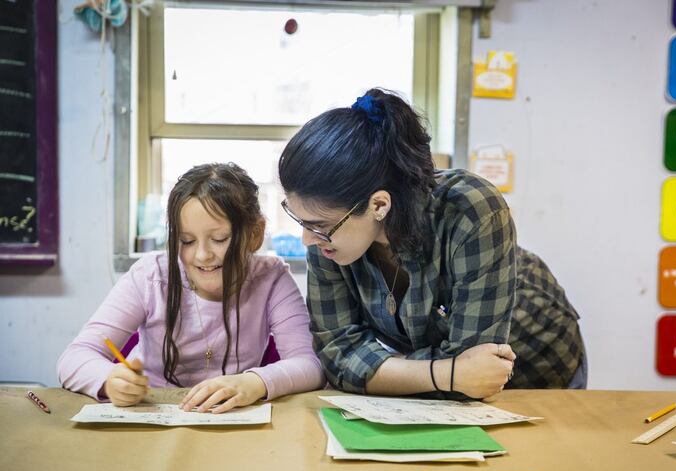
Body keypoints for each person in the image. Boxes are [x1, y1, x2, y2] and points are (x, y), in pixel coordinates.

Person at [278, 89, 587, 401]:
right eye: (301, 222)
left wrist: (380, 368)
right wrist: (449, 374)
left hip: (539, 363)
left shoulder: (470, 209)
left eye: (318, 227)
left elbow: (475, 375)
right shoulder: (327, 232)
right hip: (442, 385)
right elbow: (337, 355)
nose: (307, 239)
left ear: (379, 205)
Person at [58, 163, 324, 412]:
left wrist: (253, 383)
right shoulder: (151, 277)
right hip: (154, 413)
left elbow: (310, 365)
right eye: (186, 241)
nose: (201, 256)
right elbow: (74, 358)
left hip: (229, 416)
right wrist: (108, 380)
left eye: (219, 239)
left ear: (254, 234)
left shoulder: (271, 278)